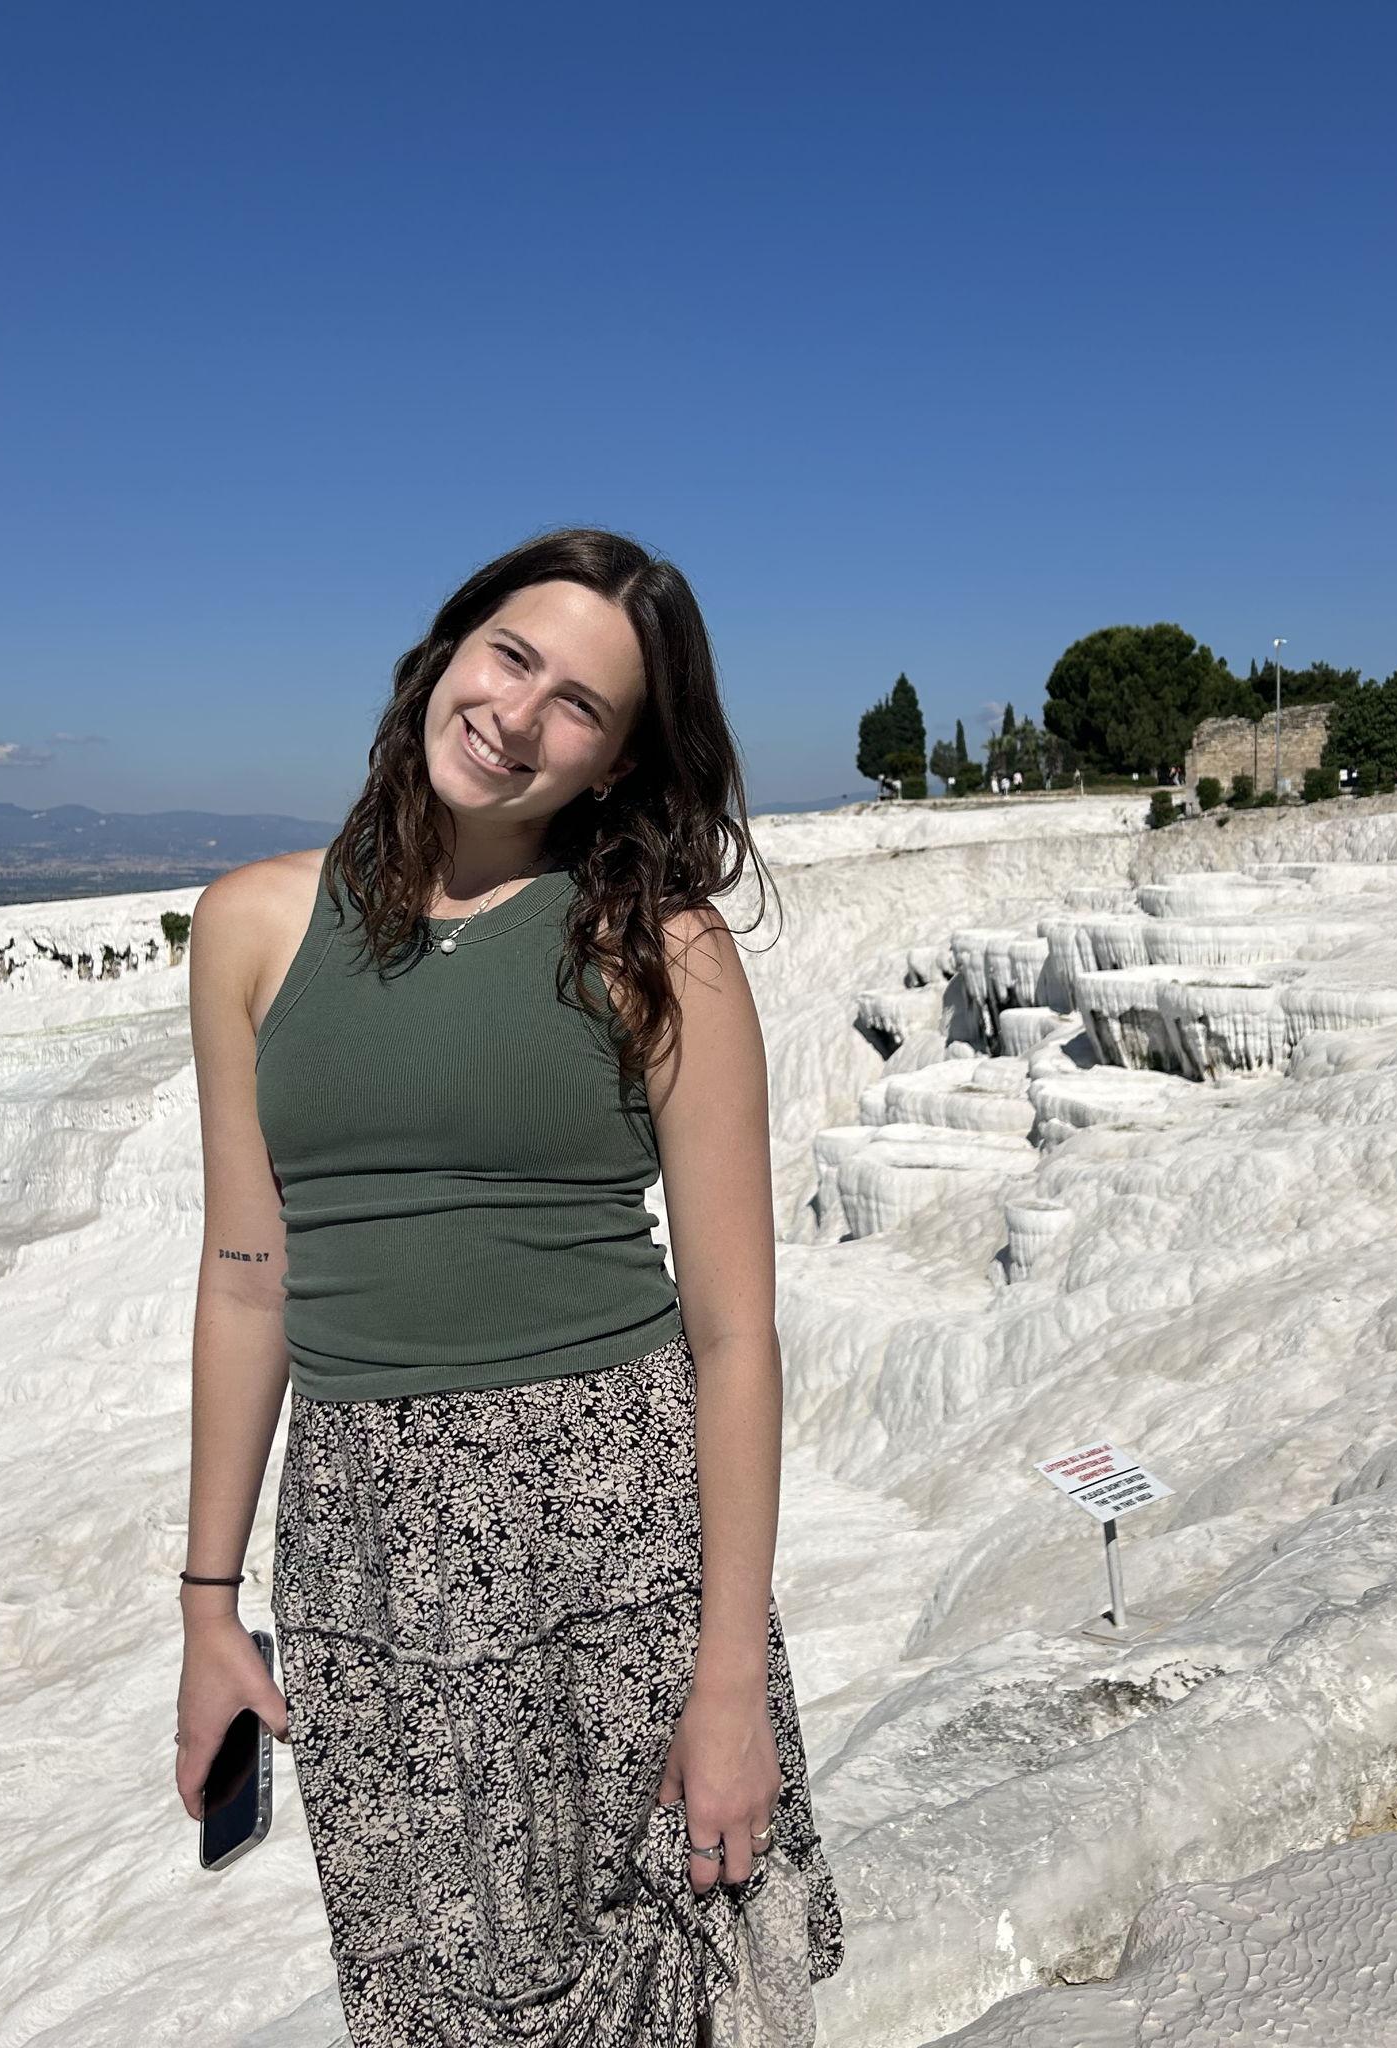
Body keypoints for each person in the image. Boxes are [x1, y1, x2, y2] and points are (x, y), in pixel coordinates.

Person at [174, 527, 845, 2044]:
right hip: (366, 1549)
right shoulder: (251, 926)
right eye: (511, 657)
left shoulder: (661, 946)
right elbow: (246, 1281)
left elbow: (735, 1335)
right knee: (435, 1999)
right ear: (448, 651)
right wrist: (210, 1611)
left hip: (614, 1535)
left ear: (619, 760)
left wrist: (730, 1681)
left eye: (580, 704)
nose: (519, 715)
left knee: (669, 1988)